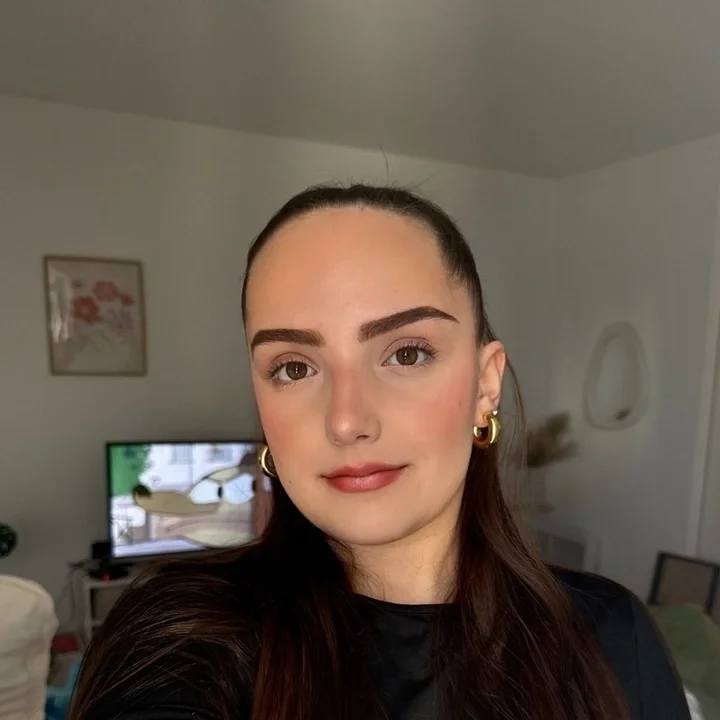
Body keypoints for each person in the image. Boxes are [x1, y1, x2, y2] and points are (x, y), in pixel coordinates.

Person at [70, 184, 690, 720]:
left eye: (407, 354)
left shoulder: (610, 635)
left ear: (485, 386)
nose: (346, 421)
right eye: (293, 367)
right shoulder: (181, 635)